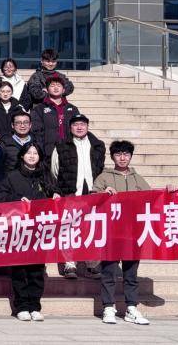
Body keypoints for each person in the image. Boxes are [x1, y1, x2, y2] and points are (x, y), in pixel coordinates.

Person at [95, 140, 170, 326]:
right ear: (112, 157)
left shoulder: (138, 178)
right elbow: (91, 198)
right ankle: (108, 307)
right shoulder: (103, 177)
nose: (122, 158)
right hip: (111, 233)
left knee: (131, 274)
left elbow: (152, 198)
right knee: (109, 272)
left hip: (132, 233)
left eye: (126, 154)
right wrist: (103, 192)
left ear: (130, 157)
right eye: (118, 154)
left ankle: (131, 308)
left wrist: (167, 193)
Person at [0, 143, 60, 322]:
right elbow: (1, 197)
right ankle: (22, 306)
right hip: (19, 230)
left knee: (37, 270)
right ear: (22, 156)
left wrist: (56, 195)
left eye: (35, 153)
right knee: (20, 269)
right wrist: (17, 200)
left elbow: (56, 193)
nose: (32, 156)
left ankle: (35, 306)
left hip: (40, 230)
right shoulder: (12, 177)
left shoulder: (46, 176)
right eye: (28, 153)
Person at [52, 113, 106, 279]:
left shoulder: (97, 145)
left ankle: (93, 264)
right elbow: (54, 170)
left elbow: (100, 168)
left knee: (92, 229)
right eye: (76, 124)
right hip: (70, 193)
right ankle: (70, 264)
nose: (79, 127)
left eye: (82, 124)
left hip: (92, 193)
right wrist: (59, 189)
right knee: (69, 229)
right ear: (70, 128)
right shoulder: (61, 145)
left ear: (87, 126)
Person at [30, 75, 80, 157]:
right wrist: (41, 151)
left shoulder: (72, 109)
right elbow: (36, 132)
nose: (56, 88)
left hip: (69, 152)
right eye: (52, 85)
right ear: (46, 90)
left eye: (59, 86)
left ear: (63, 90)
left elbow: (78, 129)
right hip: (48, 152)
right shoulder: (39, 109)